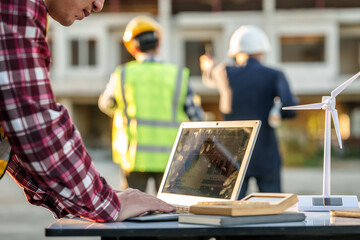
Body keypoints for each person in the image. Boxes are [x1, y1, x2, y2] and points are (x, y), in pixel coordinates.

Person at [0, 0, 176, 223]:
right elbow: (34, 123)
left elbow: (16, 133)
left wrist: (97, 197)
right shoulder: (17, 6)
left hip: (133, 158)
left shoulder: (122, 74)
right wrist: (102, 201)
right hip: (166, 160)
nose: (98, 5)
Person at [98, 15, 203, 193]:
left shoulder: (122, 74)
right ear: (158, 43)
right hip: (171, 159)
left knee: (132, 212)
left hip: (133, 157)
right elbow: (196, 117)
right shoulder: (177, 74)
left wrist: (123, 110)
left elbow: (105, 103)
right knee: (168, 212)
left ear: (132, 47)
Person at [199, 25, 298, 199]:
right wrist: (277, 112)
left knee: (231, 212)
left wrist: (208, 65)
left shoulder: (223, 72)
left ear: (235, 52)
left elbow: (209, 76)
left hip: (233, 156)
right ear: (261, 51)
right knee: (273, 211)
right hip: (266, 156)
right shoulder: (275, 75)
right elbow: (290, 108)